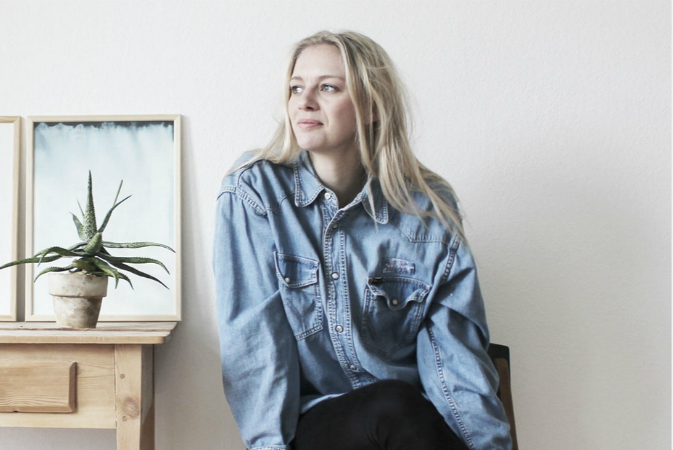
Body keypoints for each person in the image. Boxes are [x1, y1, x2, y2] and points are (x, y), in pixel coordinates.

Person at [213, 30, 512, 450]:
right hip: (317, 425)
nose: (304, 102)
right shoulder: (255, 191)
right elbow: (254, 346)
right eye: (296, 88)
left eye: (328, 88)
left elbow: (454, 358)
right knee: (392, 406)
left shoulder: (426, 209)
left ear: (371, 106)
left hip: (411, 425)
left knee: (403, 408)